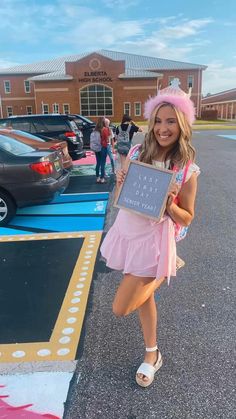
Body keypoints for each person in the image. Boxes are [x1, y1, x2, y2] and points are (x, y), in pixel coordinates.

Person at [100, 79, 200, 387]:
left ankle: (163, 270)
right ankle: (152, 354)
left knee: (121, 307)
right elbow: (124, 198)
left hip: (154, 242)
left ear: (182, 124)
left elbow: (188, 217)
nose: (163, 128)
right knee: (144, 301)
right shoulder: (138, 151)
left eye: (171, 121)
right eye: (158, 120)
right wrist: (120, 180)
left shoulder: (187, 169)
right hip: (129, 233)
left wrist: (170, 203)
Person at [94, 117, 110, 184]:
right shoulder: (105, 129)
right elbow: (107, 139)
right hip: (103, 147)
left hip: (96, 147)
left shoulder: (95, 130)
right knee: (103, 163)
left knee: (98, 163)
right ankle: (102, 178)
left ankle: (97, 178)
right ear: (103, 122)